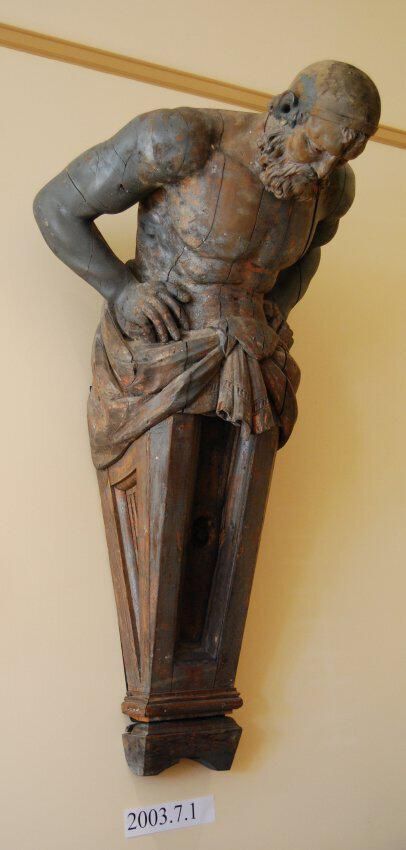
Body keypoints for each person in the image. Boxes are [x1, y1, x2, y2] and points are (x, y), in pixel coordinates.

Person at [34, 60, 380, 468]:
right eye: (316, 148)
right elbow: (56, 207)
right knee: (167, 484)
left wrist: (279, 306)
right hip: (166, 341)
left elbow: (312, 250)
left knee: (244, 495)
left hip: (254, 354)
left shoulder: (334, 187)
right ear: (287, 109)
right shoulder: (182, 139)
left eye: (340, 159)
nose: (323, 169)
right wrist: (122, 290)